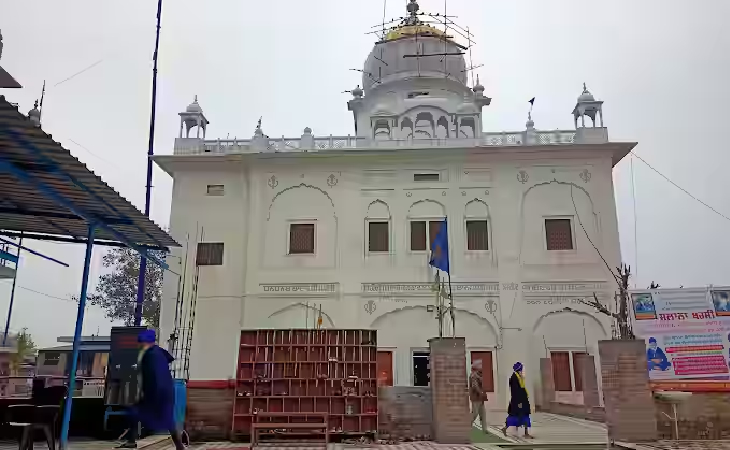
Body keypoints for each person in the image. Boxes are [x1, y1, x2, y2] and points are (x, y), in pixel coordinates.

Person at [117, 330, 185, 450]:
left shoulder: (150, 356)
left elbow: (154, 376)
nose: (138, 346)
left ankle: (132, 441)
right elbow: (168, 359)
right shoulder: (158, 352)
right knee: (167, 418)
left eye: (140, 343)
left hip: (157, 392)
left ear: (145, 343)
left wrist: (150, 394)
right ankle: (179, 446)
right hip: (167, 391)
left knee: (135, 411)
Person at [501, 362, 532, 439]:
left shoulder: (519, 377)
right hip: (518, 401)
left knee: (525, 416)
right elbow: (515, 392)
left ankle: (526, 432)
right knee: (515, 416)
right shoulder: (514, 378)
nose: (523, 370)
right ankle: (505, 428)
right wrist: (519, 402)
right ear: (519, 369)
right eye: (522, 369)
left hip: (522, 400)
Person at [469, 360, 488, 430]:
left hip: (481, 397)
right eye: (480, 365)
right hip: (475, 397)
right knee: (475, 413)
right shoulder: (473, 375)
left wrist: (483, 394)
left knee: (483, 413)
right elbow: (475, 386)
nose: (482, 367)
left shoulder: (480, 375)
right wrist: (481, 393)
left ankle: (485, 429)